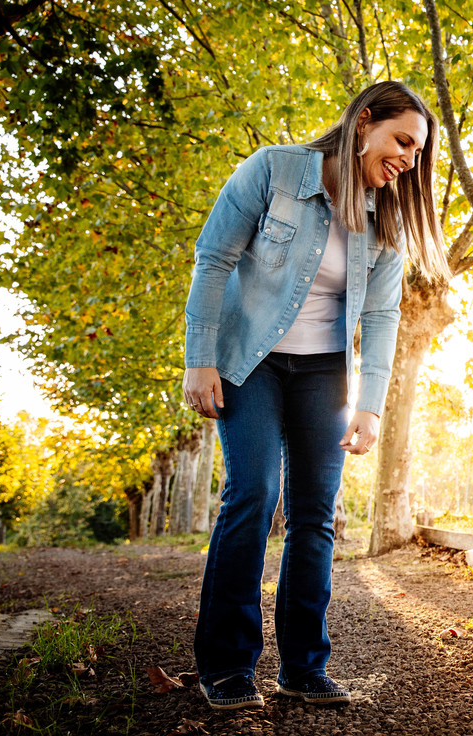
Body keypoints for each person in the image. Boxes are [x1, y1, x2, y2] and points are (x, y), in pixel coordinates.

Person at [181, 81, 449, 711]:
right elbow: (213, 259)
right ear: (363, 123)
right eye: (401, 141)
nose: (408, 159)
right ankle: (227, 665)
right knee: (253, 493)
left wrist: (370, 404)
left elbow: (381, 316)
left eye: (417, 152)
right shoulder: (273, 171)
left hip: (325, 373)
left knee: (315, 514)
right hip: (249, 362)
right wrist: (199, 359)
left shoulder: (387, 218)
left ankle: (303, 667)